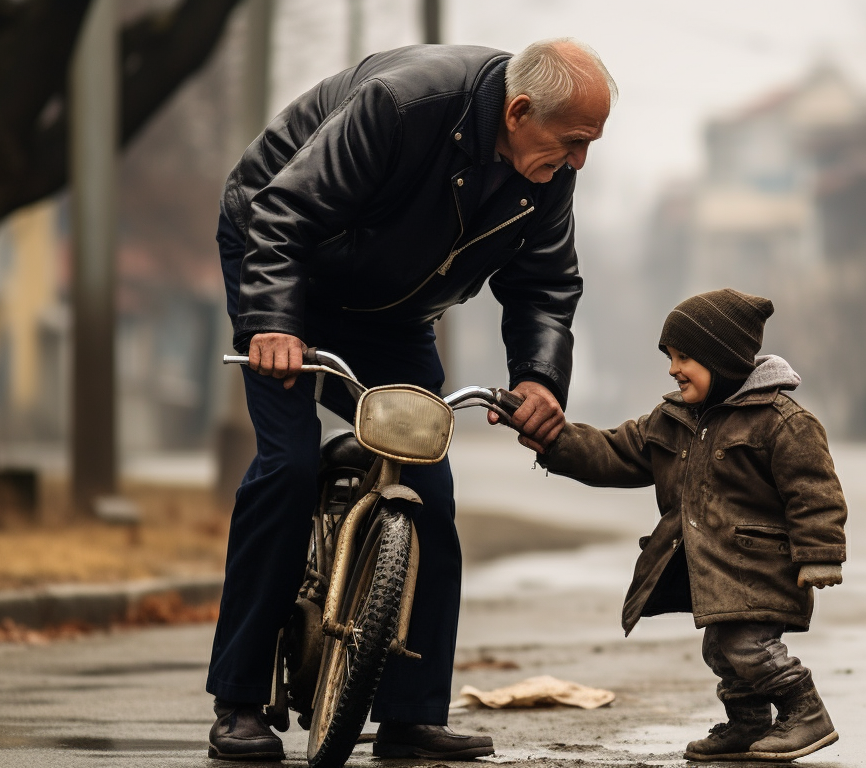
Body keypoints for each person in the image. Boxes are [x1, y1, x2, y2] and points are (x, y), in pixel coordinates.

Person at [208, 39, 616, 761]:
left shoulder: (546, 171)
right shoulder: (404, 105)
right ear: (520, 111)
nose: (580, 161)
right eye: (575, 142)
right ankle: (239, 701)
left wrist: (539, 379)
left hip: (393, 313)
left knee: (429, 487)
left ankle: (409, 714)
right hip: (284, 267)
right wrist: (272, 319)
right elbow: (282, 213)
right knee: (290, 466)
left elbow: (545, 287)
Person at [520, 289, 848, 762]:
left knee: (748, 647)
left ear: (723, 357)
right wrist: (553, 440)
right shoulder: (672, 420)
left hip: (760, 568)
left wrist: (820, 553)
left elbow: (815, 491)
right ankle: (747, 722)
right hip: (714, 572)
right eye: (670, 357)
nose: (673, 368)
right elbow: (612, 452)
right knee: (720, 650)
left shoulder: (780, 422)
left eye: (685, 356)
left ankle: (806, 711)